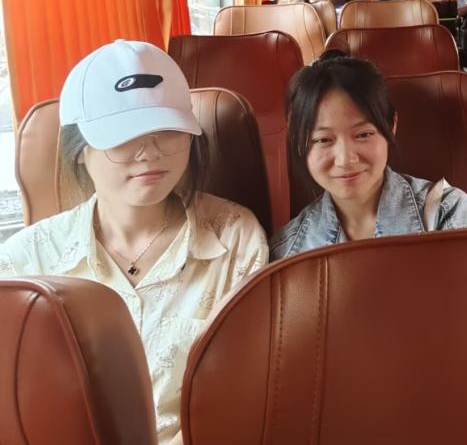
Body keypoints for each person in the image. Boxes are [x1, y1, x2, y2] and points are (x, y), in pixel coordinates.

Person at [0, 40, 268, 444]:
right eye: (124, 135)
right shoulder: (26, 263)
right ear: (79, 150)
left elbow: (246, 393)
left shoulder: (233, 239)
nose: (150, 153)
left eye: (167, 131)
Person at [270, 54, 467, 259]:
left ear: (391, 126)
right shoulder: (287, 254)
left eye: (363, 135)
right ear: (299, 142)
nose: (345, 160)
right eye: (323, 139)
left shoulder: (447, 216)